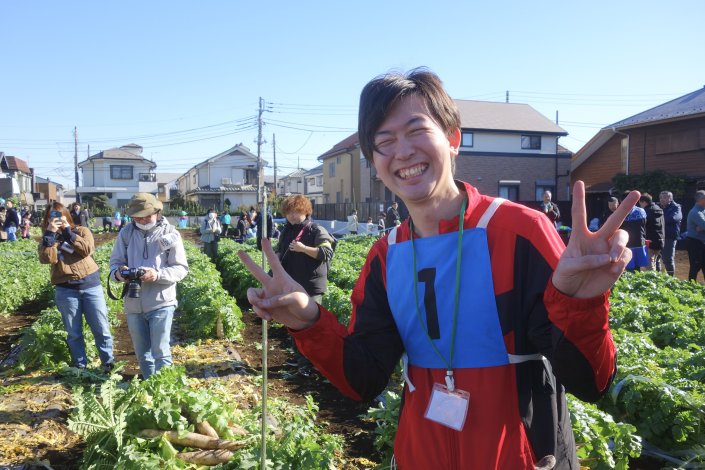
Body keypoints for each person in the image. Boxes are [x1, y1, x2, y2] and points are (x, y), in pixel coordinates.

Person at [238, 69, 639, 469]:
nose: (402, 152)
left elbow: (591, 381)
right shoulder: (387, 255)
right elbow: (364, 378)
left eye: (416, 131)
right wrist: (309, 321)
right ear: (374, 162)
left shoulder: (520, 232)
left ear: (453, 139)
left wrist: (582, 303)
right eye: (384, 142)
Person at [109, 193, 188, 378]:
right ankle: (149, 388)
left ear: (157, 212)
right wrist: (119, 273)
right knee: (142, 355)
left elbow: (181, 269)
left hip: (161, 302)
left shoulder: (170, 233)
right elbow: (114, 265)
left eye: (146, 216)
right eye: (138, 217)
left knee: (161, 352)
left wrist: (157, 275)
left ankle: (164, 391)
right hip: (133, 304)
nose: (142, 220)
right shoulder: (126, 233)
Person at [37, 202, 114, 371]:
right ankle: (80, 367)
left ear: (66, 215)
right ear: (47, 220)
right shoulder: (48, 239)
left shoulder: (82, 231)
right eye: (51, 217)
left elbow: (87, 250)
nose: (56, 219)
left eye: (59, 215)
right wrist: (50, 234)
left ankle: (108, 364)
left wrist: (68, 232)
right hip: (66, 290)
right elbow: (47, 259)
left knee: (101, 328)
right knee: (74, 333)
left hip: (91, 286)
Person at [275, 195, 335, 377]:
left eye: (296, 211)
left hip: (310, 285)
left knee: (309, 326)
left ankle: (311, 363)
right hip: (292, 285)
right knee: (294, 323)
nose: (292, 216)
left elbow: (326, 252)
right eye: (289, 212)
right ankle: (300, 358)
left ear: (306, 211)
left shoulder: (316, 230)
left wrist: (303, 249)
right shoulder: (286, 231)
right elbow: (280, 251)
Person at [620, 192, 648, 272]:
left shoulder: (621, 212)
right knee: (637, 267)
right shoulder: (641, 211)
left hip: (627, 243)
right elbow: (645, 225)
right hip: (639, 241)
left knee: (628, 266)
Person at [639, 193, 665, 271]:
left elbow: (643, 226)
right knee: (656, 261)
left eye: (640, 203)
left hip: (650, 241)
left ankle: (652, 278)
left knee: (650, 264)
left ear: (644, 202)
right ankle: (658, 276)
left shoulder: (646, 212)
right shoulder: (659, 209)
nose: (640, 205)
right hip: (661, 240)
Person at [659, 191, 682, 276]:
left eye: (665, 197)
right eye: (661, 197)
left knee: (668, 259)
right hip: (659, 236)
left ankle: (671, 279)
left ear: (670, 198)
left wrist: (658, 219)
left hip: (669, 237)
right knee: (656, 258)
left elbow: (674, 218)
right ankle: (657, 277)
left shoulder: (676, 207)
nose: (662, 199)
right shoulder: (658, 206)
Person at [685, 190, 705, 282]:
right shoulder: (695, 212)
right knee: (695, 265)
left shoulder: (702, 210)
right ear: (701, 199)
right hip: (695, 243)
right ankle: (691, 286)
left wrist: (701, 228)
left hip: (701, 242)